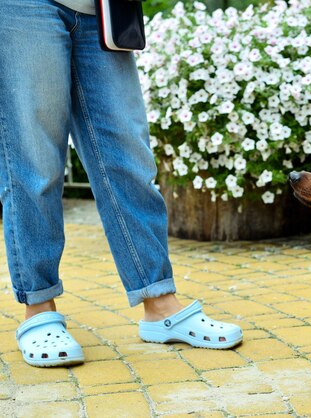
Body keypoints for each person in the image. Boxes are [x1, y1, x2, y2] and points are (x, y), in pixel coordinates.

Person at [0, 0, 242, 367]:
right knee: (34, 164)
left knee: (128, 158)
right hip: (23, 8)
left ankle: (159, 303)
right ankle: (39, 308)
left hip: (101, 10)